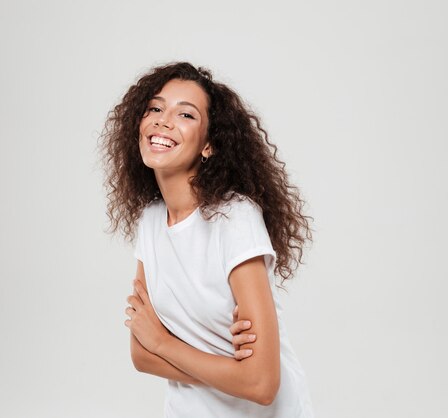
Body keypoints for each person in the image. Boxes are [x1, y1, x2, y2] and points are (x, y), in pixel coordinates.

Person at [100, 62, 314, 417]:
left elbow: (262, 385)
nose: (162, 121)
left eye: (185, 114)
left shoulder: (234, 217)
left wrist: (163, 342)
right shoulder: (151, 221)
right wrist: (231, 370)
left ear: (209, 145)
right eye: (155, 108)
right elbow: (141, 356)